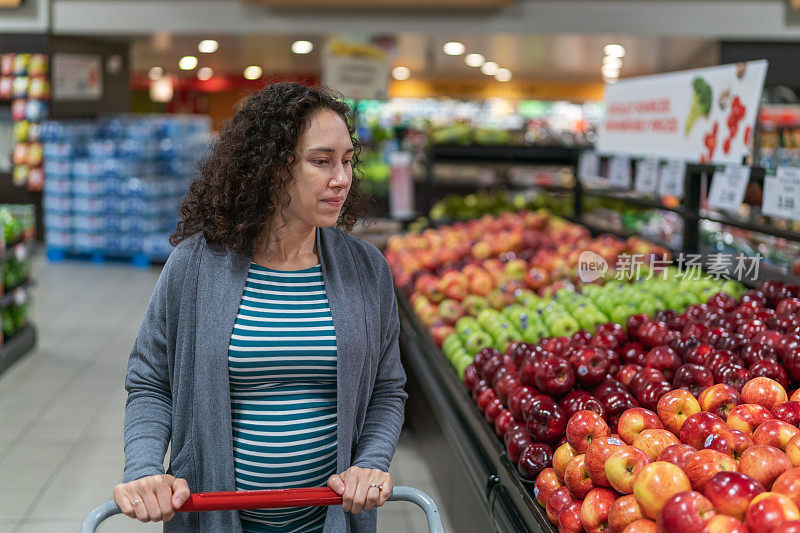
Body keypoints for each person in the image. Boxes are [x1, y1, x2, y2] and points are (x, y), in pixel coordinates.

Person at [113, 82, 407, 532]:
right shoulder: (194, 266)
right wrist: (145, 469)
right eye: (321, 161)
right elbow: (151, 380)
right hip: (214, 517)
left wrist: (370, 463)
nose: (342, 178)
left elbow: (387, 390)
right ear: (270, 167)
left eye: (347, 160)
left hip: (327, 522)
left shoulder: (366, 270)